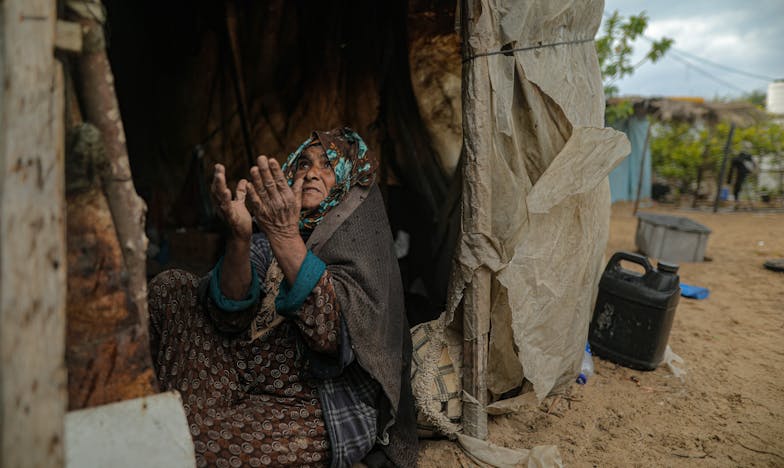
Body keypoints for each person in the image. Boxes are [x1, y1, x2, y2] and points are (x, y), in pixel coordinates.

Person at [148, 127, 417, 467]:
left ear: (350, 184)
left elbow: (329, 336)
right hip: (240, 379)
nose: (311, 173)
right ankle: (181, 422)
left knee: (192, 444)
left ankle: (187, 429)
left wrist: (284, 234)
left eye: (328, 165)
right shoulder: (268, 243)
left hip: (316, 402)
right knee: (173, 288)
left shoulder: (362, 251)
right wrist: (241, 239)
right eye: (303, 163)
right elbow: (226, 315)